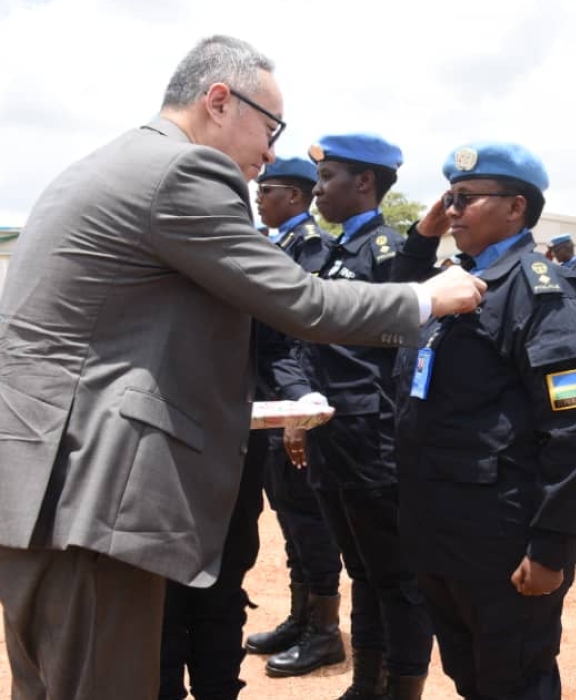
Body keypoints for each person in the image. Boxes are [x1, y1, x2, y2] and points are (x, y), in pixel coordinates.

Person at [0, 36, 484, 700]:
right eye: (271, 127)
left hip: (39, 477)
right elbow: (298, 301)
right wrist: (428, 296)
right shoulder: (183, 171)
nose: (273, 152)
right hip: (91, 490)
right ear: (219, 101)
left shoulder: (103, 164)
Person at [394, 142, 576, 700]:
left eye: (465, 198)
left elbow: (575, 429)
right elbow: (387, 312)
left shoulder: (541, 291)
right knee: (470, 676)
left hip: (501, 538)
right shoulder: (451, 283)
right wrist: (422, 238)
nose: (453, 211)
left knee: (514, 680)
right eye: (449, 199)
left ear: (516, 208)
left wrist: (551, 547)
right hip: (442, 527)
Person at [156, 156, 336, 700]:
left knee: (224, 579)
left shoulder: (255, 265)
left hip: (234, 448)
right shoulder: (155, 263)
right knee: (165, 590)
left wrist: (299, 397)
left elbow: (280, 344)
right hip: (164, 453)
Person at [270, 134, 437, 700]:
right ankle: (367, 683)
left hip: (375, 444)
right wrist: (300, 399)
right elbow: (300, 342)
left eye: (327, 179)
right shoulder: (333, 255)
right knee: (363, 572)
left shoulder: (390, 255)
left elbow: (407, 351)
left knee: (397, 579)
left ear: (364, 182)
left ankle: (403, 687)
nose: (317, 192)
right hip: (331, 441)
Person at [242, 158, 346, 673]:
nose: (260, 196)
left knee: (309, 519)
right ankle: (301, 618)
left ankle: (325, 631)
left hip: (294, 405)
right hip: (269, 398)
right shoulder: (276, 244)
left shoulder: (313, 251)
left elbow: (307, 340)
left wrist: (297, 419)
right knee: (288, 515)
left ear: (297, 198)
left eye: (270, 190)